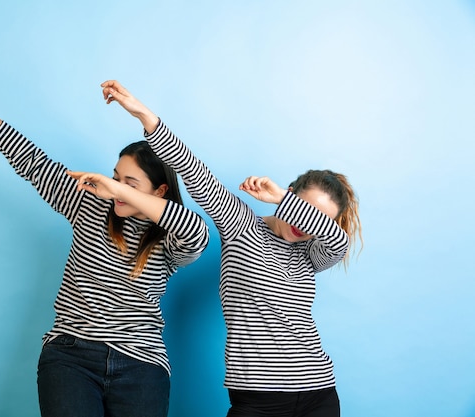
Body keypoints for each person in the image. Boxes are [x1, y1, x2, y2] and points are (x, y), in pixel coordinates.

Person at [0, 55, 209, 417]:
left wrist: (116, 190)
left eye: (130, 182)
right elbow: (29, 160)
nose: (114, 187)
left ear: (159, 192)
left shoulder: (169, 239)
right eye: (114, 176)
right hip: (70, 357)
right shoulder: (89, 205)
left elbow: (197, 232)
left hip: (142, 365)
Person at [100, 80, 362, 417]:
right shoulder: (242, 225)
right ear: (293, 190)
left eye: (316, 220)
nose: (304, 226)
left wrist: (283, 199)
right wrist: (145, 116)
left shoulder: (313, 252)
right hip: (256, 398)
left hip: (319, 392)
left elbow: (338, 241)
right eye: (303, 206)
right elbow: (198, 176)